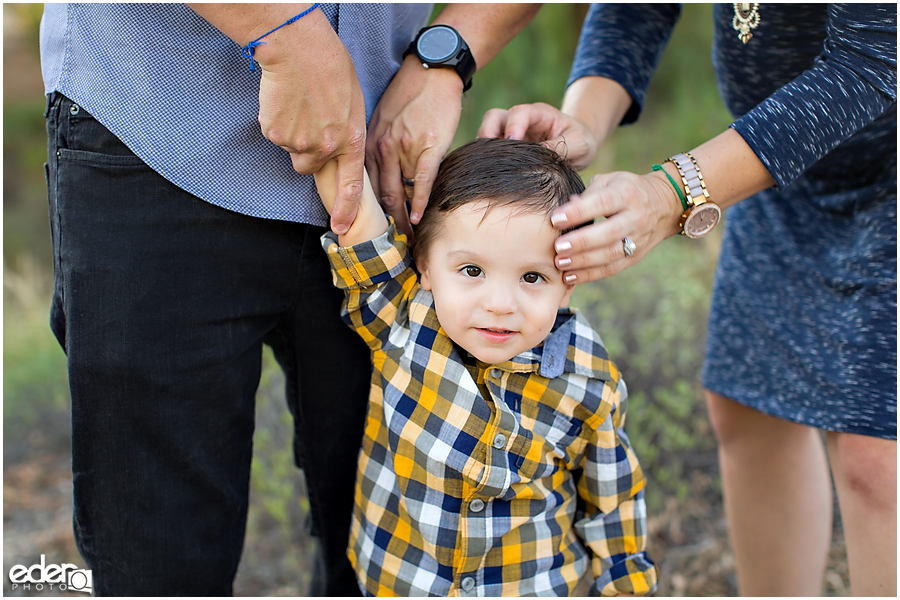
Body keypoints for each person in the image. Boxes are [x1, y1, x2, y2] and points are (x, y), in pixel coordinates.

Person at [39, 2, 538, 595]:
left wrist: (449, 53)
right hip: (155, 123)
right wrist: (281, 31)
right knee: (158, 561)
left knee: (404, 552)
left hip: (383, 158)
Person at [480, 3, 897, 596]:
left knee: (877, 455)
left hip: (885, 174)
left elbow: (872, 60)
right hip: (775, 162)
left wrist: (674, 192)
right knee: (751, 405)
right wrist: (583, 123)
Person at [313, 137, 658, 596]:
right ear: (426, 266)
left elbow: (612, 504)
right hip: (402, 581)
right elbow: (350, 201)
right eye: (472, 270)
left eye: (532, 277)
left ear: (568, 285)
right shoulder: (402, 316)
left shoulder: (588, 379)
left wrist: (625, 585)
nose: (499, 305)